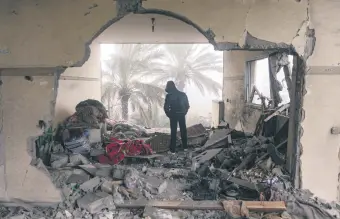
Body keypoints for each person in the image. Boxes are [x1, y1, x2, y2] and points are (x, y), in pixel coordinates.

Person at [163, 81, 190, 153]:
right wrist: (184, 113)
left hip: (173, 115)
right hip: (181, 114)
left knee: (173, 132)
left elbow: (166, 107)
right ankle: (185, 147)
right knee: (183, 131)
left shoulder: (169, 96)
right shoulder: (183, 94)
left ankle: (173, 150)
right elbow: (187, 106)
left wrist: (169, 115)